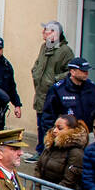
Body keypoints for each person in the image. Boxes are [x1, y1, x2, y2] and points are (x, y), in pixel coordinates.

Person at [30, 21, 74, 156]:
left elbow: (70, 72)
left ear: (55, 34)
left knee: (49, 126)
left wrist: (54, 80)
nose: (43, 33)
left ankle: (48, 153)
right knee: (40, 125)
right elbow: (38, 64)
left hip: (52, 96)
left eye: (46, 31)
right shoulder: (44, 47)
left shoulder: (65, 51)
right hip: (40, 94)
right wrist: (35, 71)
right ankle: (40, 151)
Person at [39, 57, 95, 145]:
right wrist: (52, 138)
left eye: (87, 70)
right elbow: (48, 117)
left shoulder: (91, 87)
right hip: (67, 137)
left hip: (88, 135)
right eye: (83, 71)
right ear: (72, 71)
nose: (87, 73)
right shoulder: (58, 89)